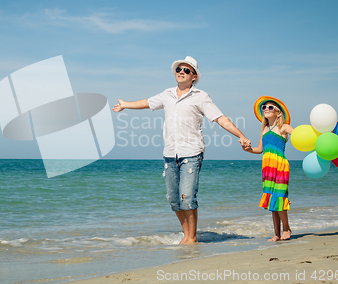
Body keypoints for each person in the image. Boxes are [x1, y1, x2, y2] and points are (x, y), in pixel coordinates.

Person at [112, 56, 251, 245]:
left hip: (192, 153)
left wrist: (240, 136)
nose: (181, 72)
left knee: (187, 197)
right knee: (174, 200)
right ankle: (186, 235)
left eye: (186, 70)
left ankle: (191, 238)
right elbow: (147, 102)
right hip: (170, 154)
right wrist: (126, 105)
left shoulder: (201, 96)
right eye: (179, 69)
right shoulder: (167, 94)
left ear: (194, 76)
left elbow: (220, 118)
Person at [244, 96, 294, 241]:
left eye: (270, 107)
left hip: (280, 165)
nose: (266, 109)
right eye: (264, 107)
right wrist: (247, 149)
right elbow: (260, 149)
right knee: (272, 199)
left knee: (279, 197)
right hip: (267, 167)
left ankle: (287, 228)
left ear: (278, 113)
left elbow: (300, 136)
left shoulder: (284, 127)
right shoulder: (265, 129)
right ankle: (276, 234)